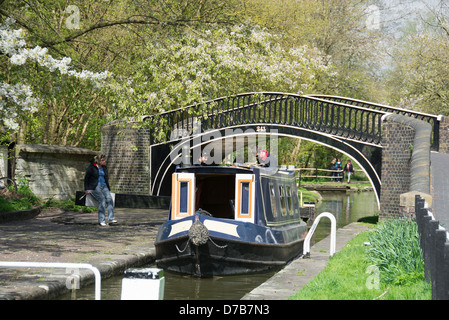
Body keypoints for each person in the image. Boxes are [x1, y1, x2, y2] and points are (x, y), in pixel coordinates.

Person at [84, 154, 116, 226]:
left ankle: (111, 219)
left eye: (105, 160)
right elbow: (86, 178)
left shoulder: (104, 168)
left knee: (109, 200)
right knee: (102, 200)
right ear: (98, 160)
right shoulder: (91, 168)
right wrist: (86, 188)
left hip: (104, 186)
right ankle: (101, 220)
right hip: (95, 186)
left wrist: (108, 186)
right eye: (102, 160)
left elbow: (106, 178)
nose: (104, 161)